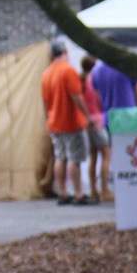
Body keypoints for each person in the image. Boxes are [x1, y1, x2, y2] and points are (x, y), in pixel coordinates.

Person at [40, 41, 91, 205]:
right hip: (71, 122)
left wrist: (48, 119)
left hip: (54, 122)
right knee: (74, 159)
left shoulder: (46, 73)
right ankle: (78, 194)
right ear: (64, 52)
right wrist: (87, 116)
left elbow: (45, 101)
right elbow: (76, 96)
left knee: (60, 157)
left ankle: (62, 192)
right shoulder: (68, 70)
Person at [79, 55, 111, 201]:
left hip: (87, 123)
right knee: (106, 154)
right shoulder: (92, 82)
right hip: (97, 120)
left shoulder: (80, 82)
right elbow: (99, 100)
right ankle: (105, 189)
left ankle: (93, 189)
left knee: (93, 157)